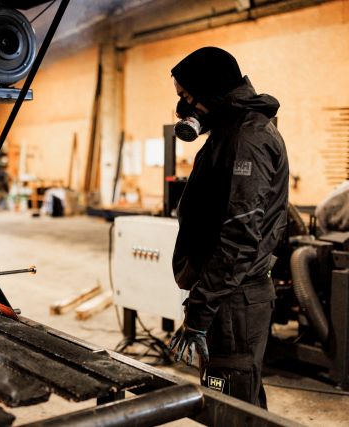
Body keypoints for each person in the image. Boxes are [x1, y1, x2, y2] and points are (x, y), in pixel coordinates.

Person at [167, 47, 289, 408]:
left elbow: (238, 238)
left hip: (234, 299)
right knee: (240, 400)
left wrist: (201, 311)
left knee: (231, 405)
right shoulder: (230, 131)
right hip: (228, 294)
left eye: (187, 97)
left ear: (211, 91)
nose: (184, 109)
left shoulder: (246, 139)